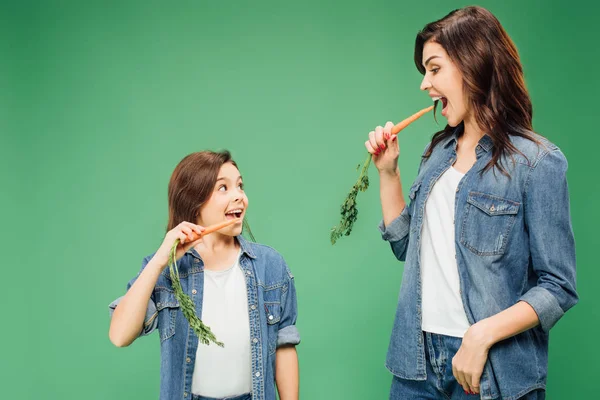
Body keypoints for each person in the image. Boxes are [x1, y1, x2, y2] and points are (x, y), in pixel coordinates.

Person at [366, 6, 577, 399]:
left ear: (473, 63)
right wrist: (388, 173)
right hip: (416, 363)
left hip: (490, 371)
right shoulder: (437, 153)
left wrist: (481, 336)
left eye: (434, 69)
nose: (425, 85)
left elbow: (558, 286)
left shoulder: (538, 163)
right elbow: (405, 247)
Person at [108, 150, 300, 400]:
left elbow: (284, 347)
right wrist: (159, 261)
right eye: (223, 188)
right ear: (194, 202)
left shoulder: (270, 265)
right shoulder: (166, 271)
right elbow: (120, 335)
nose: (239, 196)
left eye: (240, 186)